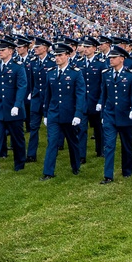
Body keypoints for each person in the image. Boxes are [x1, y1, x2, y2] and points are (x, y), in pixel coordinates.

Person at [40, 42, 86, 180]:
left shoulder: (75, 73)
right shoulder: (51, 73)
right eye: (55, 55)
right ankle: (48, 172)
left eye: (60, 55)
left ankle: (76, 166)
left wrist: (78, 114)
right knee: (52, 142)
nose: (57, 58)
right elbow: (47, 95)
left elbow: (80, 95)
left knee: (72, 142)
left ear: (67, 55)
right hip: (54, 113)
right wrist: (46, 114)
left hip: (69, 114)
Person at [97, 45, 132, 183]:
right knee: (109, 145)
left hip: (125, 114)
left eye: (114, 57)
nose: (111, 60)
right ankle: (108, 175)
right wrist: (103, 113)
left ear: (122, 59)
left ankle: (127, 170)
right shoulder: (106, 74)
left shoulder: (130, 75)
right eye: (110, 57)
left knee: (126, 145)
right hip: (110, 114)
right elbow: (104, 95)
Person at [0, 39, 27, 176]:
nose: (0, 52)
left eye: (3, 50)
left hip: (13, 109)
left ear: (10, 51)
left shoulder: (18, 66)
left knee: (17, 138)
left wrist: (17, 105)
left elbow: (22, 87)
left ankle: (19, 163)